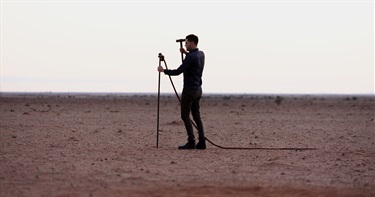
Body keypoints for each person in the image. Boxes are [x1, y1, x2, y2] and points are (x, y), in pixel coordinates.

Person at [157, 34, 206, 150]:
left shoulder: (190, 57)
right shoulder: (201, 54)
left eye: (187, 43)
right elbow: (193, 59)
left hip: (189, 90)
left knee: (185, 115)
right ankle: (202, 142)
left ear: (193, 43)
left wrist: (164, 70)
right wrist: (185, 53)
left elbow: (179, 71)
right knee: (196, 116)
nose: (185, 45)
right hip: (198, 90)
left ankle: (191, 141)